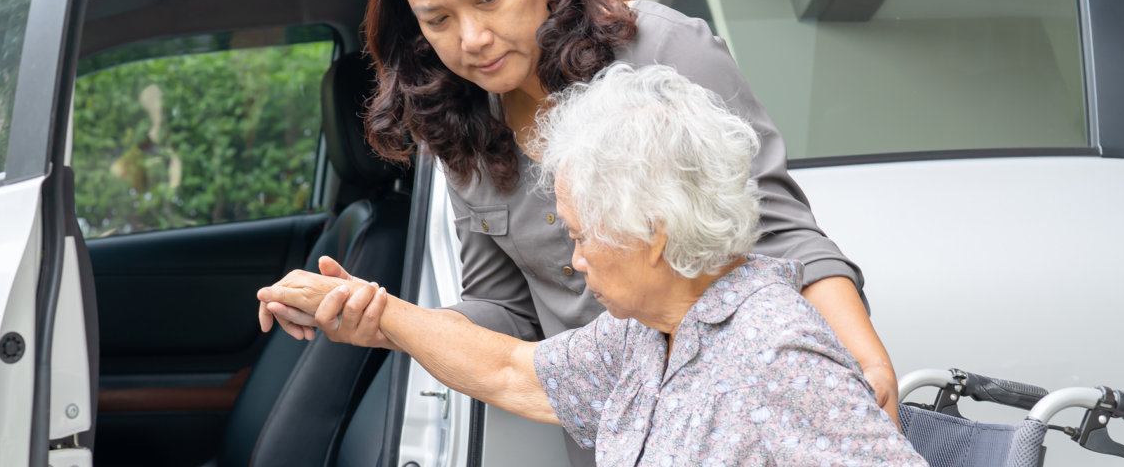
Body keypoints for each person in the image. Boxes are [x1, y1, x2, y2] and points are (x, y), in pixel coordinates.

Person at [260, 0, 902, 460]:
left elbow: (784, 234)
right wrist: (391, 318)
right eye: (439, 19)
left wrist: (862, 358)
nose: (472, 38)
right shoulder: (456, 118)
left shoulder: (664, 53)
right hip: (610, 428)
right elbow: (503, 309)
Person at [260, 65, 926, 466]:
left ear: (655, 234)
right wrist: (378, 314)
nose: (574, 262)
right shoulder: (644, 335)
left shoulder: (776, 353)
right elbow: (509, 371)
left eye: (584, 238)